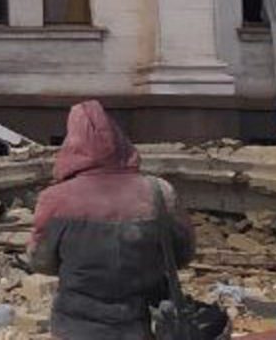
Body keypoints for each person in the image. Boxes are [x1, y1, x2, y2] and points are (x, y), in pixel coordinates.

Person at [27, 101, 197, 340]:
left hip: (74, 327)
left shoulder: (53, 199)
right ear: (119, 140)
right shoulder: (160, 192)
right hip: (142, 324)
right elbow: (183, 253)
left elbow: (40, 262)